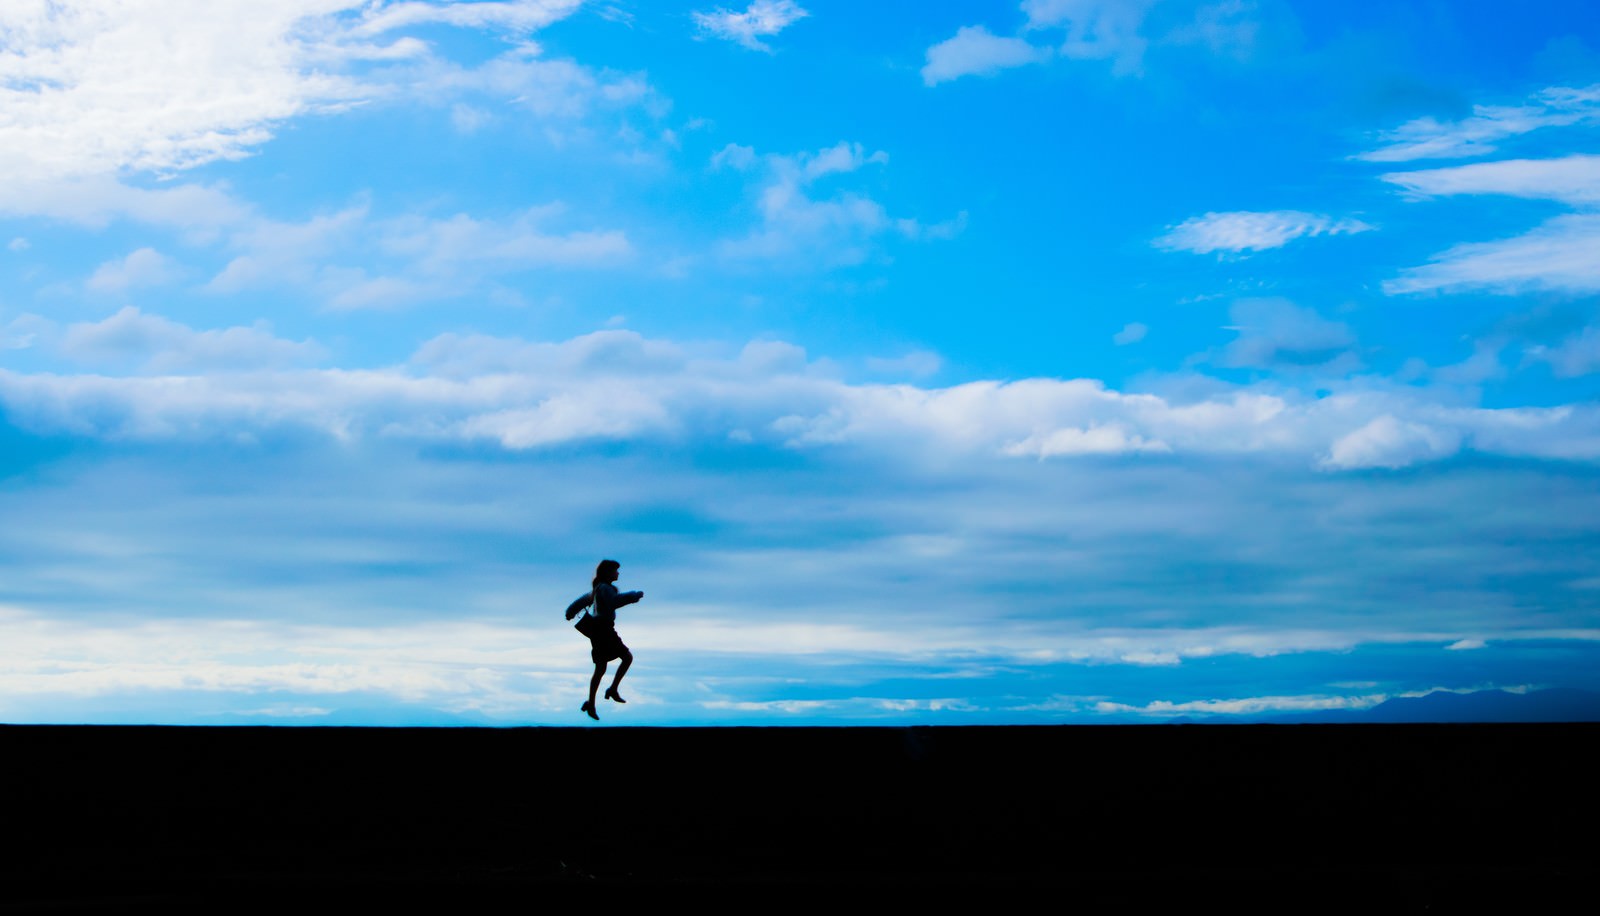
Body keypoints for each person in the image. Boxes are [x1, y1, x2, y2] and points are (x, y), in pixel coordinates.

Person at [565, 559, 643, 720]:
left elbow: (583, 601)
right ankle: (612, 690)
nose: (618, 573)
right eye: (615, 570)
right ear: (608, 572)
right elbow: (614, 603)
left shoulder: (599, 588)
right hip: (604, 629)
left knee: (600, 669)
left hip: (599, 630)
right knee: (626, 657)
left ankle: (592, 703)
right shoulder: (605, 589)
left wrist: (570, 611)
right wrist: (633, 596)